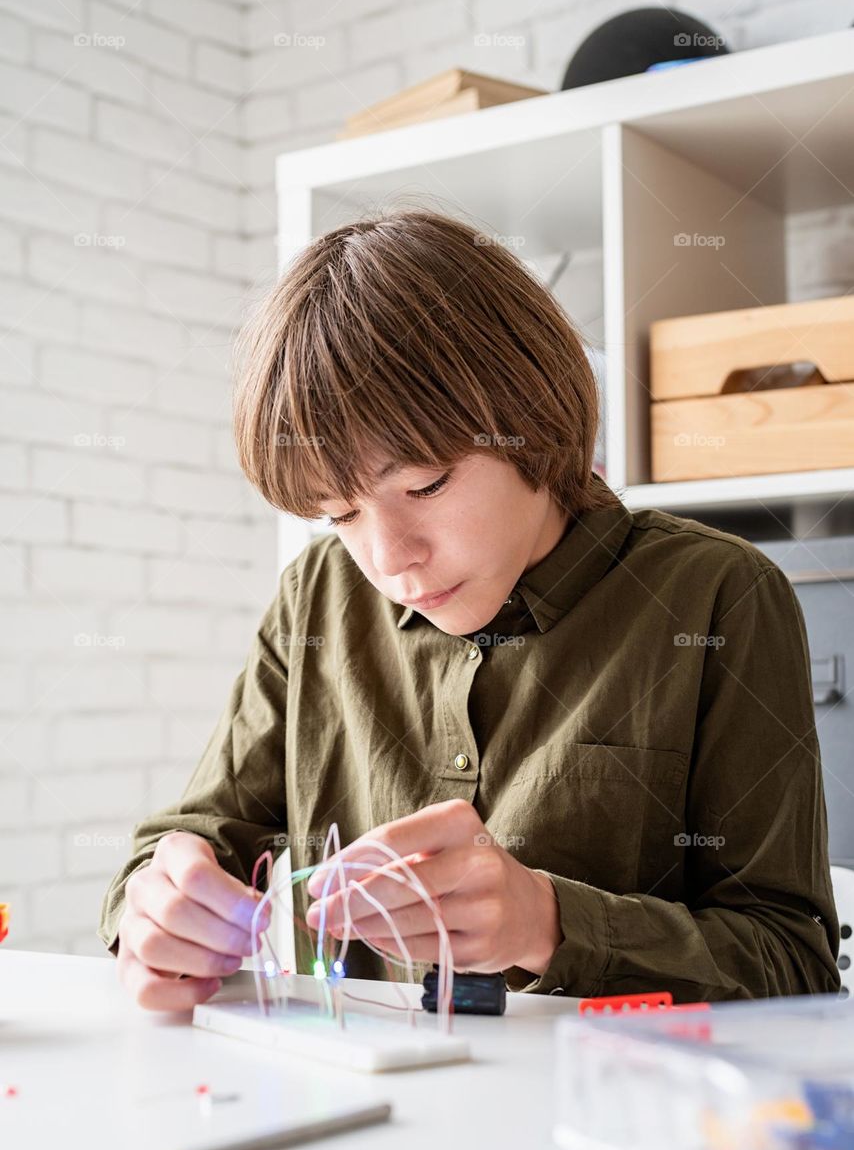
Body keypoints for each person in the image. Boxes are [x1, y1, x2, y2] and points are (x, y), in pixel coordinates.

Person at [98, 209, 840, 1011]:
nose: (389, 560)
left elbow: (791, 959)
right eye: (338, 514)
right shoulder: (315, 597)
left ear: (535, 416)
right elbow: (198, 838)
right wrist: (156, 905)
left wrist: (550, 923)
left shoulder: (719, 594)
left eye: (425, 485)